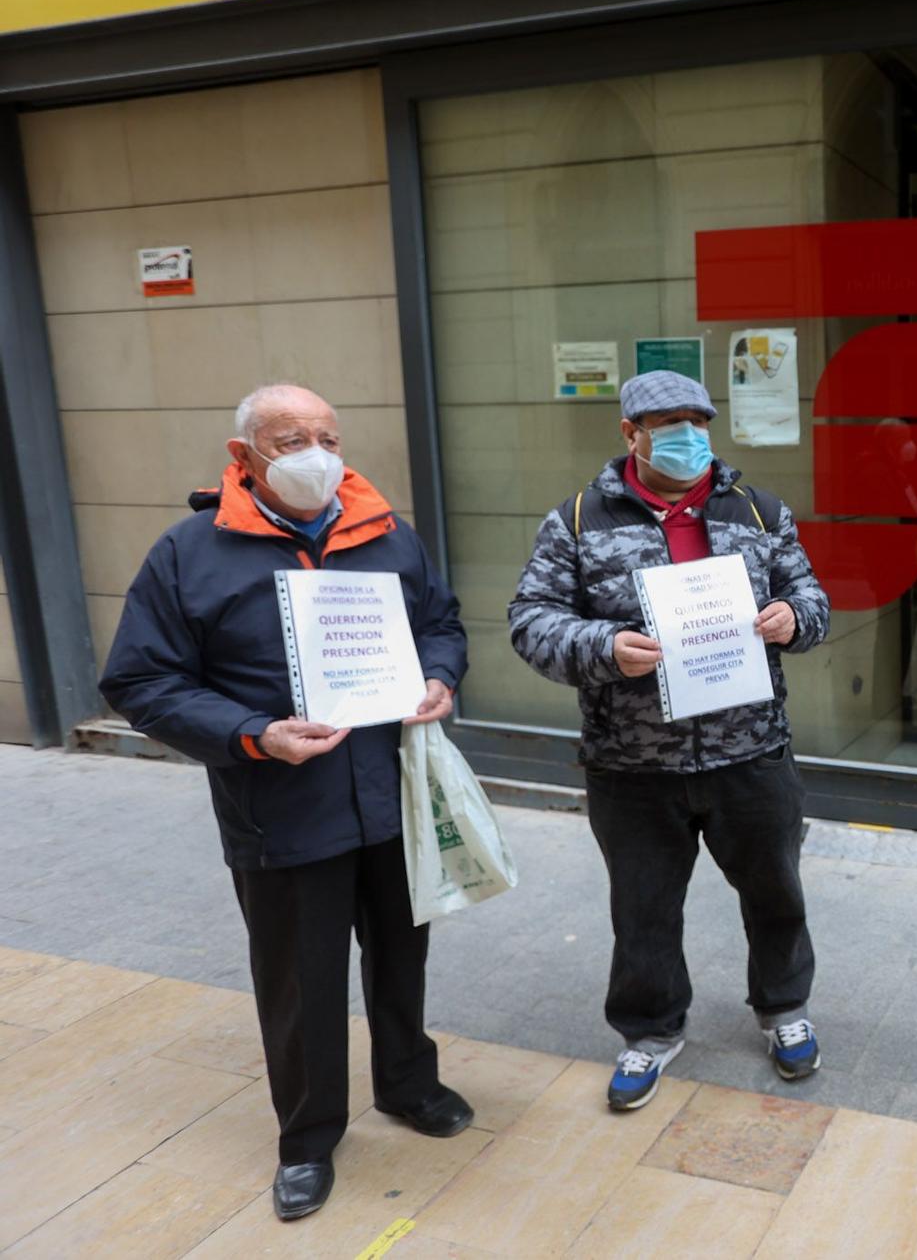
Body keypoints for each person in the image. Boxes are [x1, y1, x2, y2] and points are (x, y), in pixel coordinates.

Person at [99, 385, 473, 1223]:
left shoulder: (384, 532)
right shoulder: (191, 552)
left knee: (400, 955)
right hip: (280, 805)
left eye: (328, 435)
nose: (317, 452)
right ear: (245, 457)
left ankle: (409, 1084)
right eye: (292, 437)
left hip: (389, 795)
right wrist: (251, 732)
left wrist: (442, 677)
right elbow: (138, 679)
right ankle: (308, 1138)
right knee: (300, 982)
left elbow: (441, 624)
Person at [508, 371, 831, 1110]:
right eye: (666, 421)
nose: (686, 433)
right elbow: (530, 620)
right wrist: (604, 646)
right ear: (630, 434)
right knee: (644, 907)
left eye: (697, 419)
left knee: (776, 892)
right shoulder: (579, 521)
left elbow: (811, 595)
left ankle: (784, 1010)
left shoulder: (756, 509)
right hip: (633, 764)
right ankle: (649, 1031)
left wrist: (792, 618)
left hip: (750, 751)